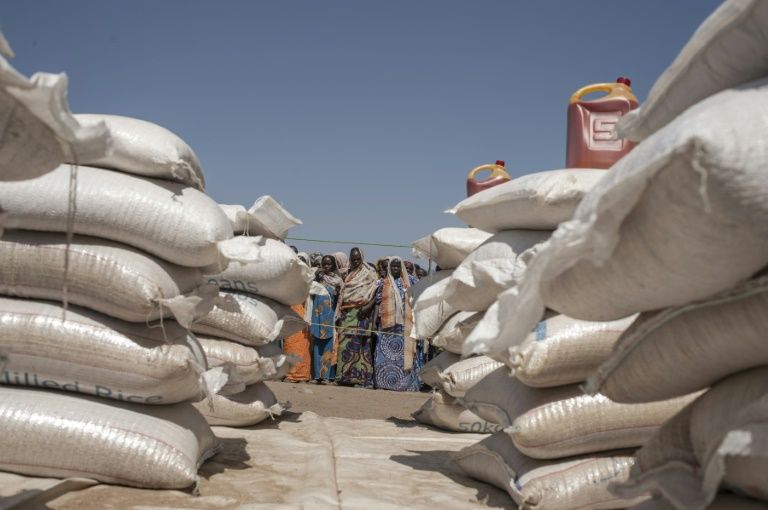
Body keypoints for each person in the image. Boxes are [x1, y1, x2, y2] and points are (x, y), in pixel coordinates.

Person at [372, 257, 425, 391]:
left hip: (404, 327)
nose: (395, 269)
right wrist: (374, 323)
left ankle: (404, 385)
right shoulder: (384, 283)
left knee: (403, 357)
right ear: (389, 268)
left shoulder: (411, 282)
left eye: (397, 266)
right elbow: (378, 303)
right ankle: (384, 383)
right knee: (385, 356)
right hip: (387, 328)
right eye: (393, 267)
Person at [335, 247, 378, 388]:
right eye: (353, 259)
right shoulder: (347, 273)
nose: (356, 261)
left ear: (362, 258)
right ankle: (345, 376)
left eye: (358, 258)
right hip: (347, 314)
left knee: (362, 345)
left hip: (363, 313)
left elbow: (375, 293)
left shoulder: (370, 273)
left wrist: (368, 307)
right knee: (345, 343)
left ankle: (362, 378)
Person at [309, 254, 343, 383]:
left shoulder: (338, 281)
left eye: (329, 264)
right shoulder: (317, 278)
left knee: (328, 346)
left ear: (333, 265)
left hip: (329, 315)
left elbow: (340, 299)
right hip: (317, 315)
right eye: (324, 264)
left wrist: (337, 316)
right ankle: (317, 375)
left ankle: (326, 376)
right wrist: (316, 277)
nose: (326, 266)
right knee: (317, 345)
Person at [283, 253, 312, 382]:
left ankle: (302, 374)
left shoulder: (310, 279)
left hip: (304, 314)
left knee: (303, 344)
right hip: (291, 314)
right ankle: (290, 373)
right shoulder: (289, 278)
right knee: (289, 343)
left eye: (302, 261)